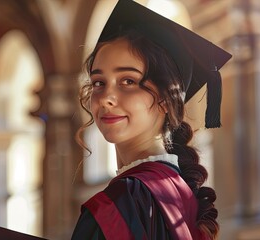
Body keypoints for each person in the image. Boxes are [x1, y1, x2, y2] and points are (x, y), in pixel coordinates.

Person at [71, 0, 232, 239]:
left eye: (128, 81)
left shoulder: (120, 202)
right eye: (98, 83)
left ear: (167, 98)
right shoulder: (181, 193)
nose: (106, 98)